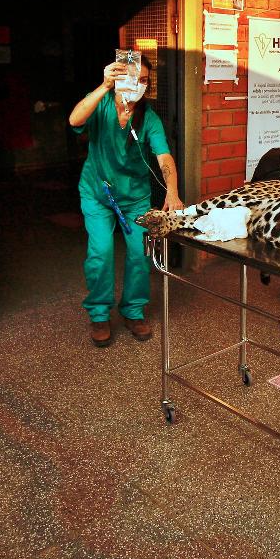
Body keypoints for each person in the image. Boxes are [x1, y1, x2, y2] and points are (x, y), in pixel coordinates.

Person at [69, 56, 183, 347]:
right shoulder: (102, 103)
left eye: (144, 80)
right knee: (101, 252)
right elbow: (75, 120)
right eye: (133, 78)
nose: (138, 84)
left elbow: (163, 156)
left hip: (134, 197)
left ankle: (133, 310)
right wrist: (104, 86)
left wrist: (172, 191)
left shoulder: (148, 118)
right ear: (119, 77)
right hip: (97, 194)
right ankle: (99, 314)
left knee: (140, 252)